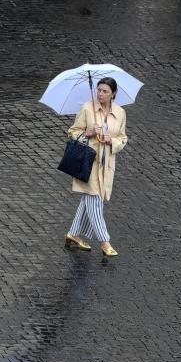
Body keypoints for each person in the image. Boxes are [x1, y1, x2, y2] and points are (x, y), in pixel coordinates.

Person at [63, 77, 128, 257]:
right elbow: (73, 133)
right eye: (99, 90)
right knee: (94, 200)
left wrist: (110, 140)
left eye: (105, 91)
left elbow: (123, 138)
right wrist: (89, 133)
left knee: (91, 199)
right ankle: (104, 242)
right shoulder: (87, 109)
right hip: (88, 163)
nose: (101, 94)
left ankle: (73, 234)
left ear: (113, 93)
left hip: (107, 166)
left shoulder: (120, 113)